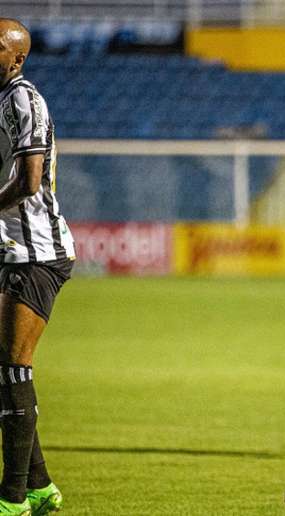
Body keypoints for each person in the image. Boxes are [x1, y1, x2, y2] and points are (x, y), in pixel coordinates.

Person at [0, 18, 75, 516]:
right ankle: (41, 486)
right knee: (6, 371)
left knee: (12, 366)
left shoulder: (24, 99)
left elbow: (29, 181)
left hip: (38, 252)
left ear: (16, 58)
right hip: (13, 250)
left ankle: (12, 498)